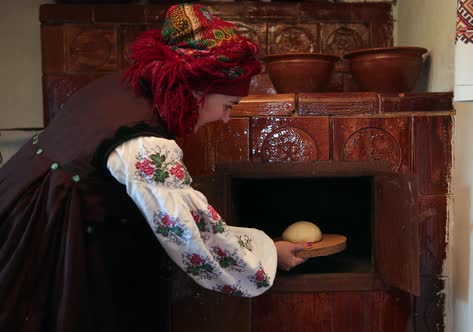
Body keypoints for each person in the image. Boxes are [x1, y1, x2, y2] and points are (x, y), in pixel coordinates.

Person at [0, 3, 308, 332]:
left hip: (20, 202)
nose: (225, 118)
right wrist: (268, 255)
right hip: (52, 233)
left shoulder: (123, 85)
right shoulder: (145, 144)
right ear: (198, 90)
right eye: (228, 105)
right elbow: (190, 235)